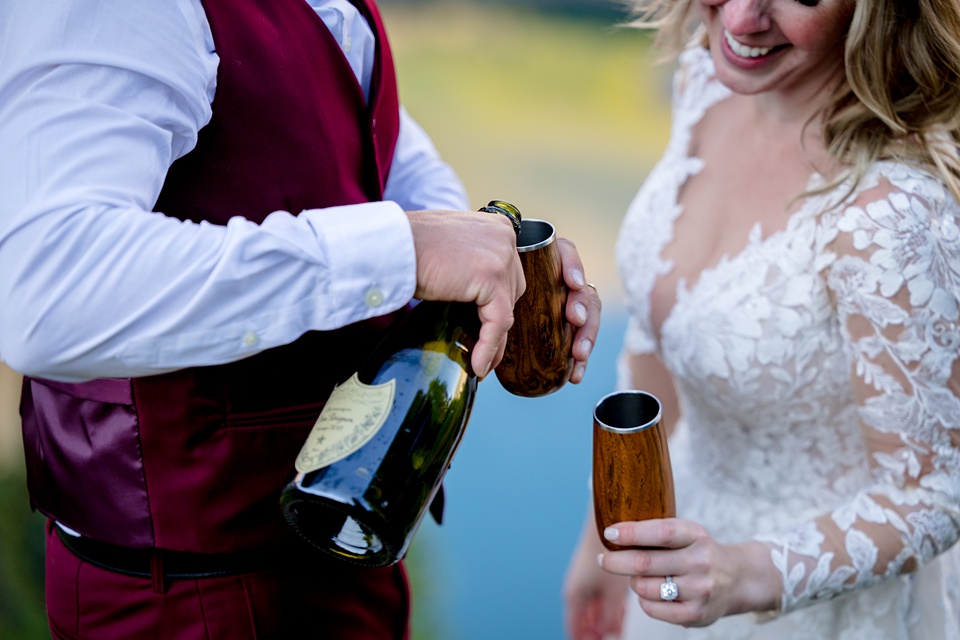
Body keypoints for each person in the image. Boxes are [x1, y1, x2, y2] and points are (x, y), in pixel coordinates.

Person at [0, 1, 601, 638]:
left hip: (342, 549)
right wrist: (403, 250)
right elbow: (47, 292)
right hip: (195, 599)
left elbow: (352, 123)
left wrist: (489, 252)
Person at [563, 0, 960, 638]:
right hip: (677, 545)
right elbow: (664, 331)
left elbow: (932, 496)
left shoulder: (892, 213)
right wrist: (601, 542)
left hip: (811, 604)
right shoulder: (706, 81)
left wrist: (741, 573)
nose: (743, 19)